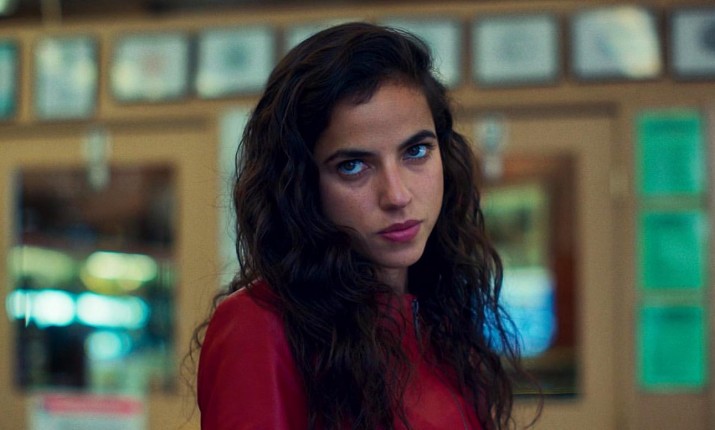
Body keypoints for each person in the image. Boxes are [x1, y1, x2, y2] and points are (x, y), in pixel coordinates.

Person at [194, 22, 535, 430]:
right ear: (301, 185)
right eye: (353, 166)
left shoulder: (441, 317)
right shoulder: (260, 327)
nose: (397, 195)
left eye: (416, 151)